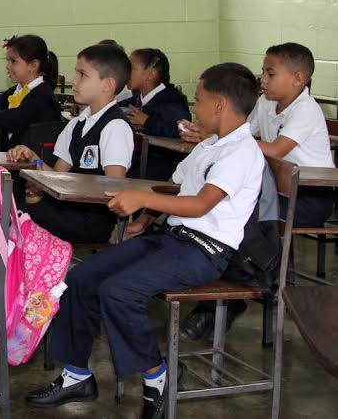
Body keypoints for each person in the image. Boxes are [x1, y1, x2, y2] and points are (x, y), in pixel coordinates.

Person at [24, 62, 264, 419]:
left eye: (198, 100)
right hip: (173, 238)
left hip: (204, 251)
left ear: (219, 105)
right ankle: (77, 375)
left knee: (119, 291)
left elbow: (200, 204)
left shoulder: (242, 152)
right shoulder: (211, 145)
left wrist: (143, 202)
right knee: (81, 278)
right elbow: (177, 187)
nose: (194, 108)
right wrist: (147, 219)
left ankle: (158, 377)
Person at [179, 42, 335, 341]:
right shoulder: (265, 104)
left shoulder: (306, 110)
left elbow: (275, 149)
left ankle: (233, 296)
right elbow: (237, 131)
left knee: (240, 219)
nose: (262, 78)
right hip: (274, 194)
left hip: (310, 197)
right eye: (263, 71)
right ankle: (224, 293)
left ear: (298, 79)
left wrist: (214, 133)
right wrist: (206, 129)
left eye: (270, 72)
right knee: (229, 211)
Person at [7, 43, 134, 244]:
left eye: (82, 75)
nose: (74, 82)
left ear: (107, 85)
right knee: (10, 202)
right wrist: (34, 159)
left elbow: (115, 186)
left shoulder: (115, 127)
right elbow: (58, 176)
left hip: (93, 220)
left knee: (18, 212)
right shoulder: (76, 124)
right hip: (66, 208)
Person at [119, 47, 192, 180]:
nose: (126, 73)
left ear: (150, 75)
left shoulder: (172, 100)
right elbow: (117, 109)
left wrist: (148, 121)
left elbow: (183, 131)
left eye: (131, 68)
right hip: (138, 162)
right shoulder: (137, 99)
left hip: (161, 167)